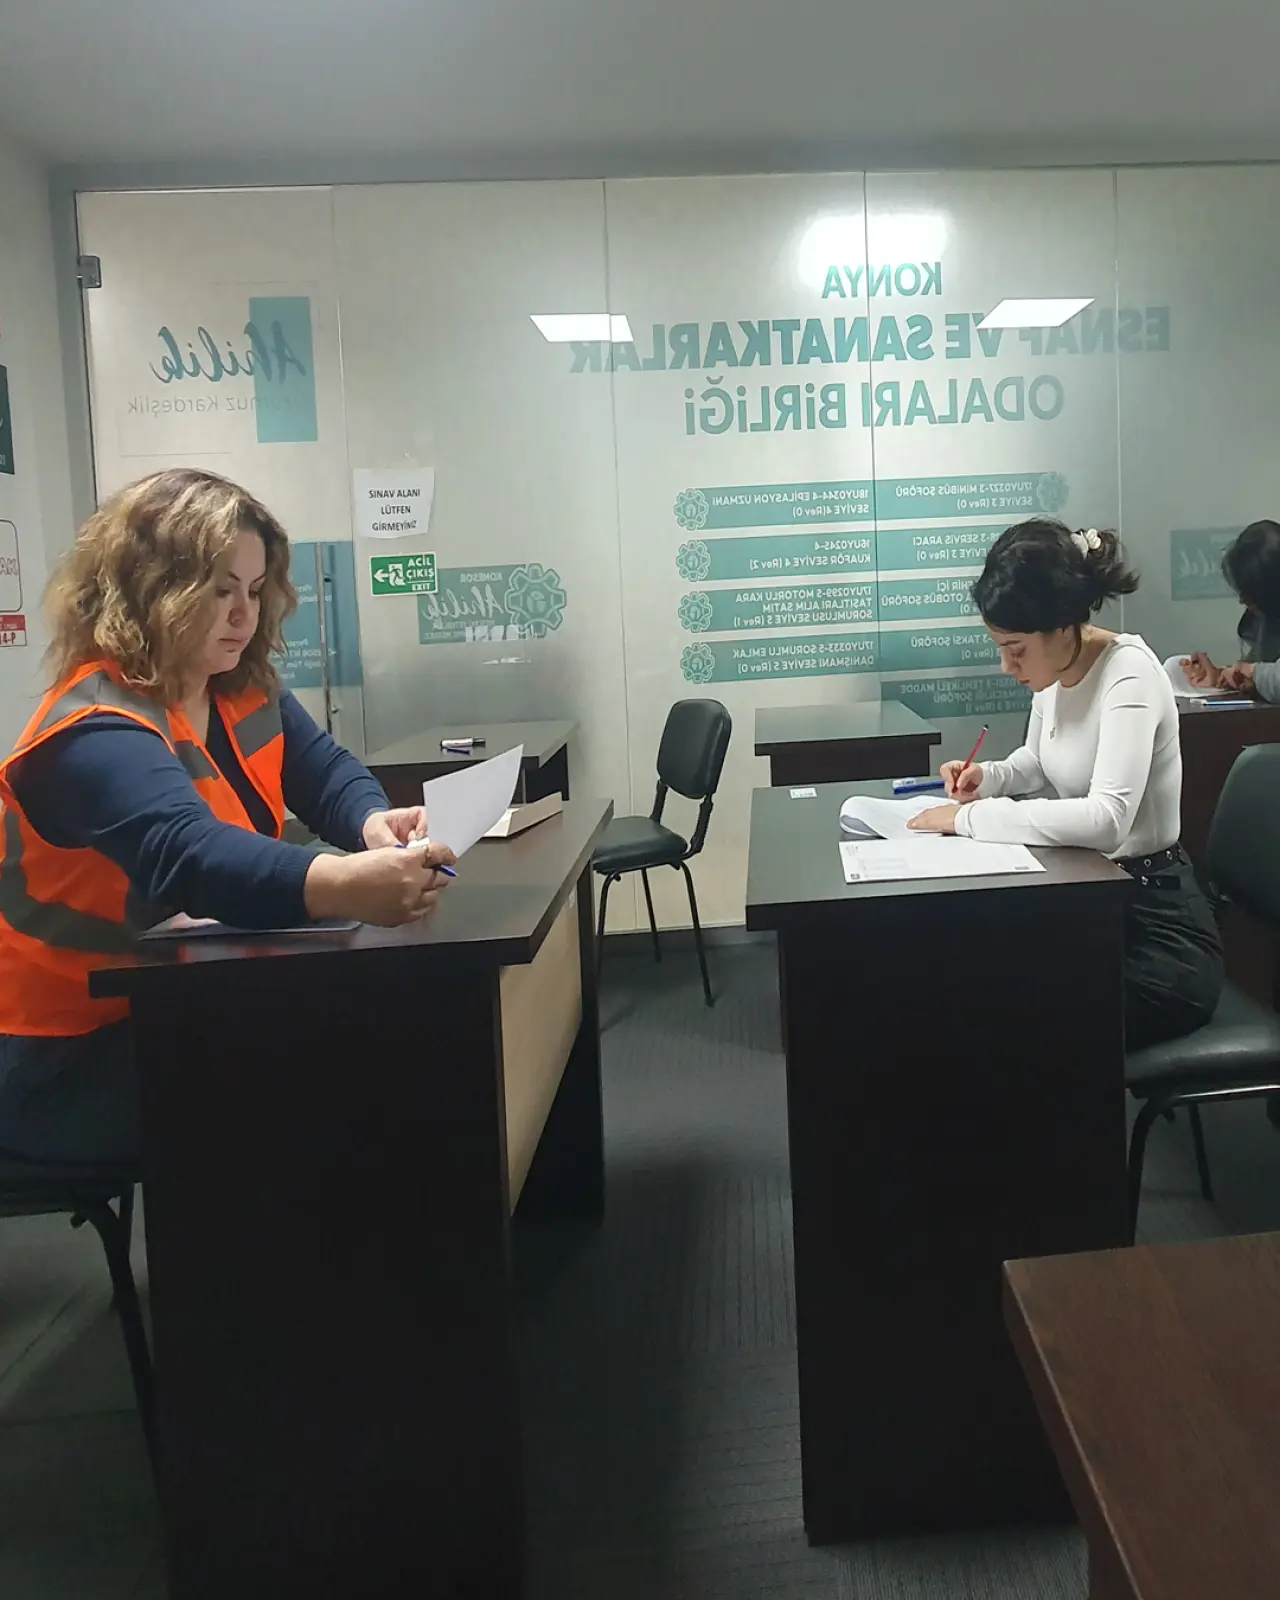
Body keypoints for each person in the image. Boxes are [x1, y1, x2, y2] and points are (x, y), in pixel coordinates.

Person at [0, 468, 455, 1165]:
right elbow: (192, 857)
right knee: (334, 1078)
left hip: (183, 996)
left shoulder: (240, 686)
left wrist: (372, 823)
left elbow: (325, 772)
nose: (245, 614)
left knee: (380, 1038)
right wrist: (343, 883)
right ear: (151, 589)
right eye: (220, 591)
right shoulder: (91, 725)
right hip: (64, 1050)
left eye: (254, 589)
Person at [908, 518, 1223, 1050]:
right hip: (1094, 898)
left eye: (1016, 649)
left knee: (1022, 1015)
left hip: (1157, 930)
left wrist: (969, 818)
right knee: (969, 974)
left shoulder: (1129, 674)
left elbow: (1106, 820)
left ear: (1061, 626)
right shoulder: (1056, 671)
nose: (1006, 666)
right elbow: (1037, 761)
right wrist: (987, 779)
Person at [1182, 519, 1280, 700]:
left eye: (1251, 595)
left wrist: (1252, 674)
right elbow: (1258, 670)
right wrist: (1222, 677)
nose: (1242, 601)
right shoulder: (1266, 618)